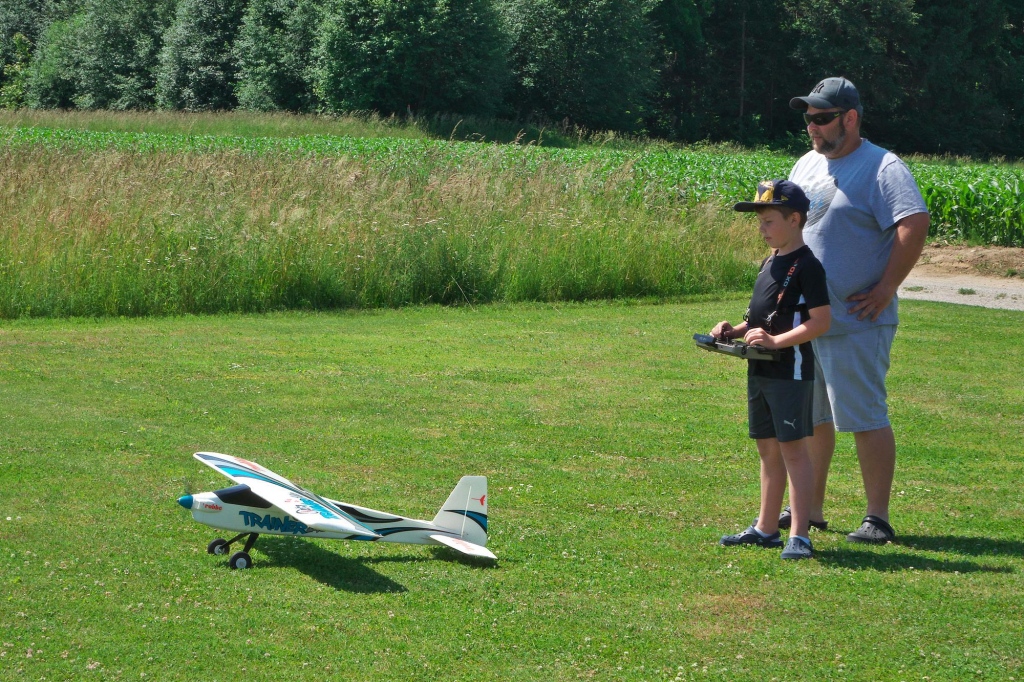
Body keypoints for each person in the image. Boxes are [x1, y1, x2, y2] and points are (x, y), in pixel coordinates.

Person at [786, 77, 930, 543]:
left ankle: (877, 517)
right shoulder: (807, 163)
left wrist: (886, 287)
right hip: (808, 320)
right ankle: (809, 510)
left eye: (822, 118)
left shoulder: (883, 167)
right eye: (809, 118)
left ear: (850, 118)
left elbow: (914, 221)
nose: (813, 126)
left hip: (857, 319)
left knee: (864, 416)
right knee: (813, 418)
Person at [712, 179, 831, 560]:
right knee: (768, 450)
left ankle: (800, 534)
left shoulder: (808, 266)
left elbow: (820, 322)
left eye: (768, 221)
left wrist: (776, 342)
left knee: (794, 452)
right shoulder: (770, 261)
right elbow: (760, 319)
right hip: (760, 369)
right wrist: (733, 330)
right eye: (759, 222)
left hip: (790, 371)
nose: (761, 229)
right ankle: (766, 529)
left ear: (794, 219)